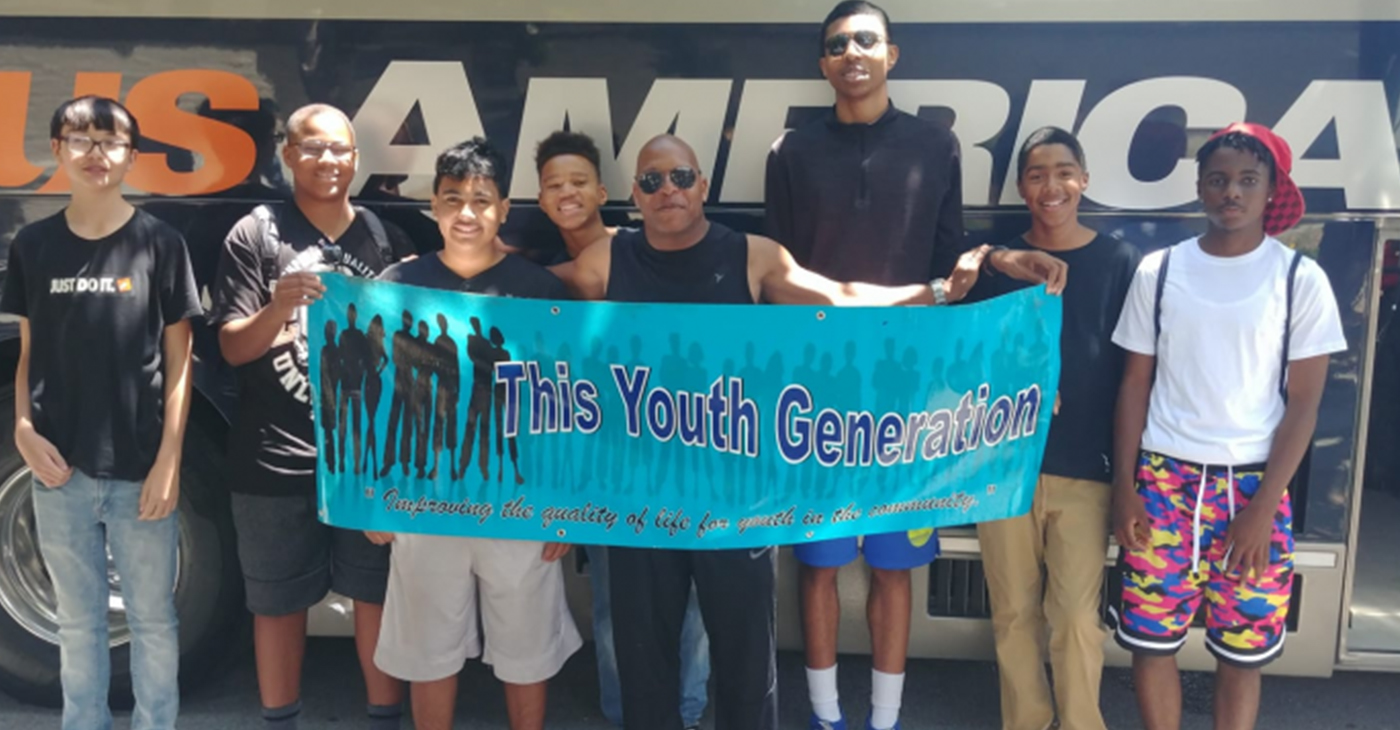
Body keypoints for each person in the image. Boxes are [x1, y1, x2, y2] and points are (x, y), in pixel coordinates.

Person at [561, 133, 1065, 730]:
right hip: (639, 499)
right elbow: (521, 297)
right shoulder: (607, 260)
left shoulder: (751, 256)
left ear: (702, 185)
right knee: (643, 666)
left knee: (746, 663)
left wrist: (944, 289)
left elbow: (842, 301)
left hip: (737, 500)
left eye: (680, 176)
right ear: (634, 195)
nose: (667, 189)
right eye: (651, 180)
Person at [763, 3, 965, 727]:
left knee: (892, 565)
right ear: (823, 63)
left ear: (891, 54)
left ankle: (884, 718)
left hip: (907, 394)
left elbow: (951, 270)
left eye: (866, 40)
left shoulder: (936, 146)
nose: (852, 52)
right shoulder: (790, 151)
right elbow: (776, 275)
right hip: (816, 390)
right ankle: (826, 716)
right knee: (818, 564)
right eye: (837, 44)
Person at [1109, 123, 1347, 730]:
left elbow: (1304, 404)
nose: (1231, 192)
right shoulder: (1160, 271)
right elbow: (1134, 384)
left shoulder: (1299, 278)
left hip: (1253, 487)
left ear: (1271, 190)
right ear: (1199, 187)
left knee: (1242, 653)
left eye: (1247, 180)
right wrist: (1125, 488)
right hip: (1163, 483)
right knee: (1150, 643)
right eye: (1217, 179)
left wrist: (1264, 508)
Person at [1, 94, 200, 730]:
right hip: (59, 471)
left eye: (111, 142)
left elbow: (180, 360)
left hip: (140, 468)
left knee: (154, 621)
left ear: (131, 156)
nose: (97, 153)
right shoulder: (33, 245)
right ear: (57, 150)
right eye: (81, 139)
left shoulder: (160, 243)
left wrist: (170, 461)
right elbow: (28, 351)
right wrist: (22, 429)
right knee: (78, 623)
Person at [209, 103, 410, 730]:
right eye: (314, 148)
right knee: (276, 604)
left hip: (368, 460)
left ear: (356, 159)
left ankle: (384, 719)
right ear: (288, 156)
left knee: (377, 595)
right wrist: (277, 309)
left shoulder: (384, 238)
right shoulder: (255, 234)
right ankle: (281, 720)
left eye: (339, 149)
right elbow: (231, 347)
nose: (328, 160)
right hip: (273, 457)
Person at [373, 136, 581, 730]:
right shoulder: (396, 285)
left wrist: (563, 505)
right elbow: (373, 398)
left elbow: (563, 406)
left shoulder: (539, 291)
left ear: (504, 208)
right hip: (424, 498)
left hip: (519, 500)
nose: (466, 213)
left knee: (526, 647)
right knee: (428, 650)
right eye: (452, 198)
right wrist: (374, 496)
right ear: (433, 206)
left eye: (481, 200)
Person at [534, 129, 712, 730]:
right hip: (604, 453)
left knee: (689, 600)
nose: (568, 194)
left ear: (607, 191)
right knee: (616, 597)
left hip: (687, 443)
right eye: (554, 185)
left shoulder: (633, 248)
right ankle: (625, 711)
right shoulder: (558, 264)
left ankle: (686, 712)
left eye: (579, 182)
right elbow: (514, 290)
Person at [967, 127, 1140, 730]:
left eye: (1064, 172)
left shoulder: (1119, 262)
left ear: (1084, 180)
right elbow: (965, 352)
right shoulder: (998, 263)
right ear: (1020, 187)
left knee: (1074, 618)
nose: (1052, 186)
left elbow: (1135, 372)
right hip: (1004, 469)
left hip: (1086, 470)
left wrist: (1129, 476)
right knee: (1013, 614)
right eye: (1037, 175)